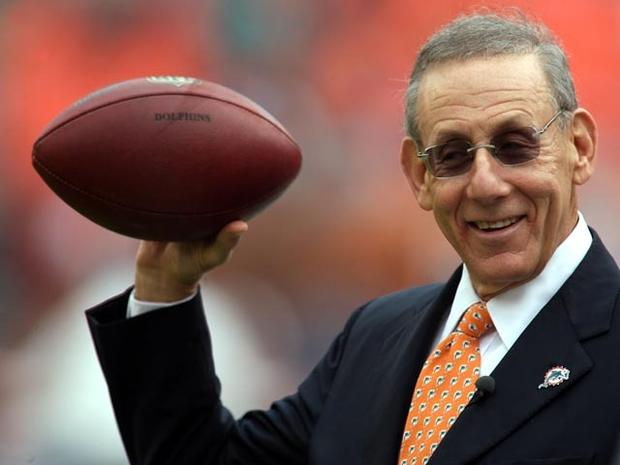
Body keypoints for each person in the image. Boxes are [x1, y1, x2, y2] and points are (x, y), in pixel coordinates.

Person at [86, 12, 620, 465]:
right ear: (419, 177)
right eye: (453, 155)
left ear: (580, 147)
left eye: (514, 145)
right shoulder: (374, 337)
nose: (485, 183)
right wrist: (163, 289)